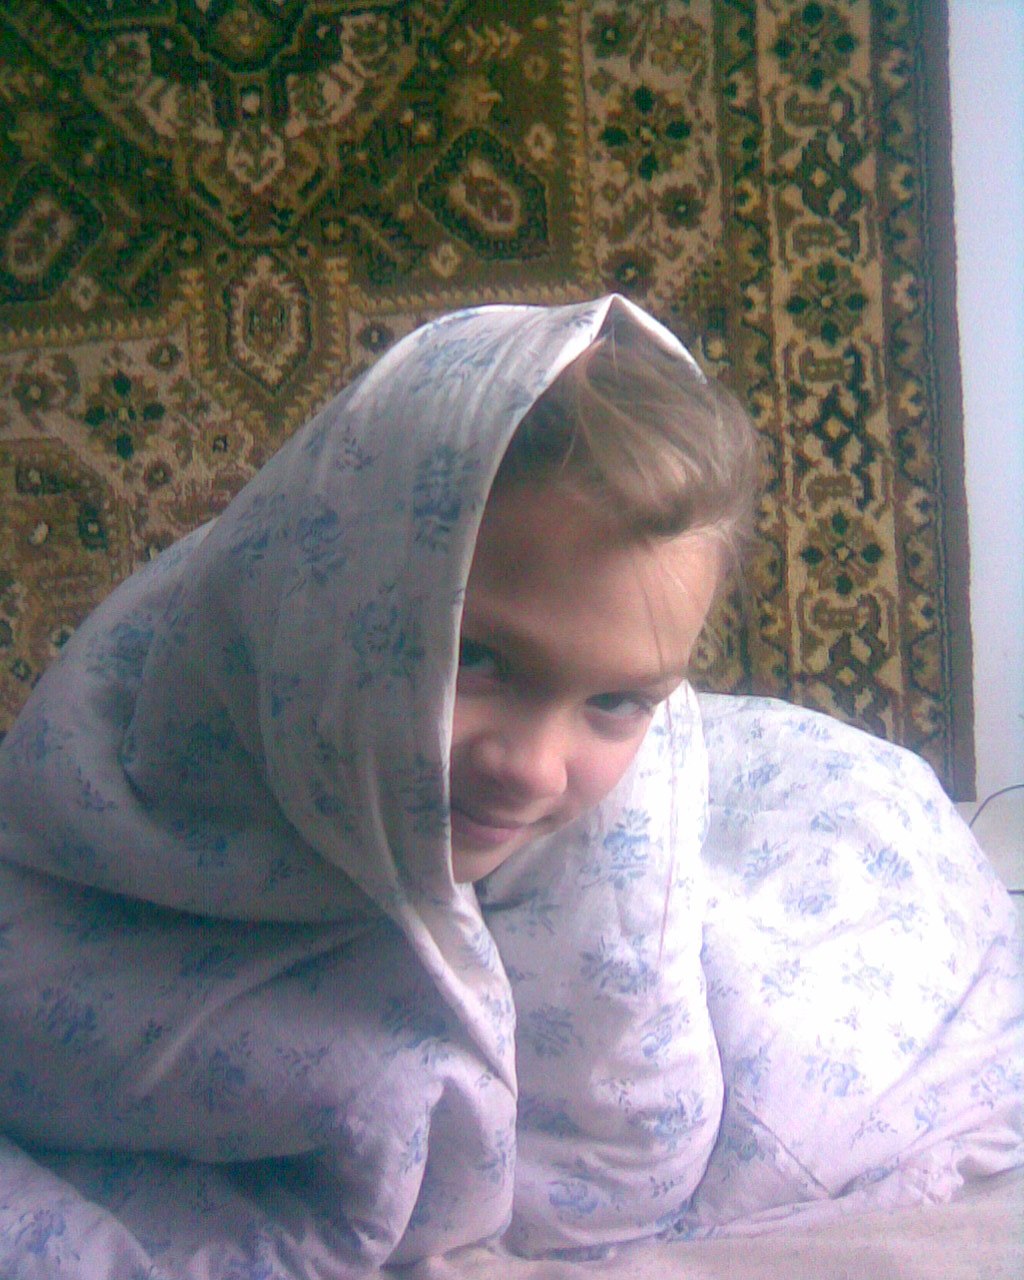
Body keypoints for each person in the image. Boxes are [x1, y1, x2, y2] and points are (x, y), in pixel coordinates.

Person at [0, 297, 1019, 1278]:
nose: (532, 766)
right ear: (340, 597)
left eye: (617, 699)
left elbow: (615, 1150)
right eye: (476, 657)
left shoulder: (620, 838)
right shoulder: (154, 705)